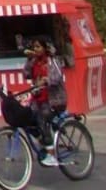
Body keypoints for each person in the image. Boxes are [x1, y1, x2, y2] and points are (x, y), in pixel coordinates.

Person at [24, 37, 67, 166]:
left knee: (42, 119)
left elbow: (57, 77)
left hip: (54, 100)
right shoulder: (34, 62)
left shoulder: (52, 61)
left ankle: (51, 155)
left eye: (38, 46)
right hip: (38, 100)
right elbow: (26, 74)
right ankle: (46, 143)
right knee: (28, 120)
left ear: (45, 48)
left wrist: (46, 80)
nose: (35, 49)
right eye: (34, 47)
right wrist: (29, 59)